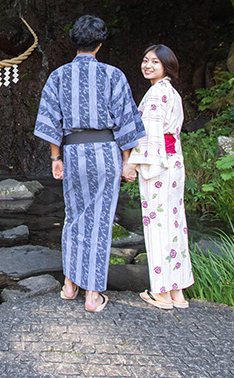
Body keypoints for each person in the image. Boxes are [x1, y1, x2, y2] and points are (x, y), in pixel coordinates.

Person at [34, 15, 145, 313]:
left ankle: (69, 286)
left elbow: (49, 121)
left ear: (75, 41)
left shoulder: (58, 76)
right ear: (99, 44)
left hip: (72, 154)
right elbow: (126, 122)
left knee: (73, 217)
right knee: (99, 221)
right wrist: (127, 162)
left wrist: (56, 158)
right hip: (105, 153)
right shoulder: (113, 75)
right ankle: (93, 295)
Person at [124, 44, 194, 310]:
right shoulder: (171, 92)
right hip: (174, 163)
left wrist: (131, 164)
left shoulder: (155, 94)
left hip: (159, 165)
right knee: (175, 224)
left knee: (158, 226)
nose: (147, 65)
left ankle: (162, 293)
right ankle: (178, 291)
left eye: (154, 61)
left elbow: (149, 136)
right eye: (145, 60)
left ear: (167, 65)